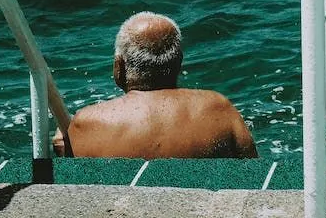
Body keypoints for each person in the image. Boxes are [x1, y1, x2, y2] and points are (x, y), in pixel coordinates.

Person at [53, 11, 257, 159]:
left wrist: (67, 145)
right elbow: (254, 173)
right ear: (179, 62)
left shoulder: (87, 124)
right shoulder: (218, 109)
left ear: (119, 66)